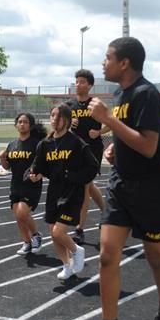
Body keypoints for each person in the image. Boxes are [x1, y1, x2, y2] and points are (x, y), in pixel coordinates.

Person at [79, 37, 160, 320]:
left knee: (154, 255)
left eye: (107, 57)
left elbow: (149, 146)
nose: (103, 63)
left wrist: (109, 121)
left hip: (151, 188)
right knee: (107, 256)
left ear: (124, 62)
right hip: (121, 185)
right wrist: (115, 149)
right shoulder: (120, 93)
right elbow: (129, 134)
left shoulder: (147, 93)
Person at [30, 104, 98, 280]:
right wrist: (34, 174)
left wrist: (72, 176)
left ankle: (77, 250)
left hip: (72, 193)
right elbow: (40, 167)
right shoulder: (45, 144)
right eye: (52, 115)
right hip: (54, 192)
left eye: (58, 116)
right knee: (54, 232)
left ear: (66, 120)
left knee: (58, 232)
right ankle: (66, 265)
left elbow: (93, 167)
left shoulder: (76, 142)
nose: (54, 119)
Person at [65, 69, 106, 244]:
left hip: (92, 150)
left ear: (90, 85)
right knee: (87, 185)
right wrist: (68, 123)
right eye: (77, 81)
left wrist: (99, 131)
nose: (78, 84)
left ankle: (79, 229)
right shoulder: (69, 106)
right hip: (75, 150)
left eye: (82, 81)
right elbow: (58, 125)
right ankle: (107, 211)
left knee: (83, 188)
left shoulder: (96, 104)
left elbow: (112, 122)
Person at [0, 112, 45, 255]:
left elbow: (45, 164)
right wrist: (2, 159)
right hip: (15, 184)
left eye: (25, 122)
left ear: (30, 125)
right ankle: (26, 242)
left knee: (22, 212)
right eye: (20, 122)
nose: (22, 124)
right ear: (16, 125)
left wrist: (40, 176)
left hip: (31, 184)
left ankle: (36, 235)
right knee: (18, 215)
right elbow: (7, 167)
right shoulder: (12, 145)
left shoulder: (37, 144)